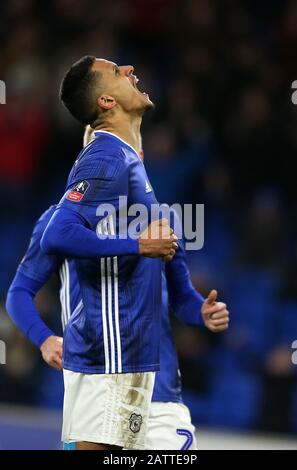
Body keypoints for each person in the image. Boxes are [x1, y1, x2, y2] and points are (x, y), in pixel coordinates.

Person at [40, 56, 178, 450]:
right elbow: (59, 233)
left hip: (120, 347)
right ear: (105, 102)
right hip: (112, 350)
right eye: (118, 72)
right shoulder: (107, 157)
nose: (132, 69)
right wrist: (140, 245)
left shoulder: (124, 157)